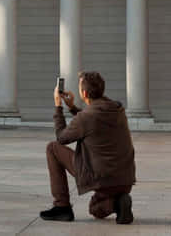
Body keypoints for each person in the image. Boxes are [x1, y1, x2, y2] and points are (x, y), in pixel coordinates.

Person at [40, 71, 136, 224]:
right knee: (96, 208)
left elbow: (62, 137)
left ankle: (62, 207)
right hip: (125, 179)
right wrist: (72, 107)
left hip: (102, 180)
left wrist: (58, 106)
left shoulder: (86, 117)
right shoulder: (117, 109)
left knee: (52, 148)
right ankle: (119, 202)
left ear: (84, 92)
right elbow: (92, 121)